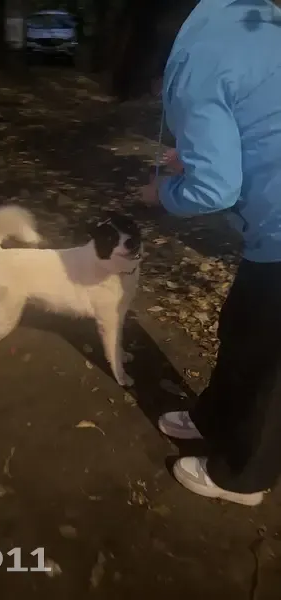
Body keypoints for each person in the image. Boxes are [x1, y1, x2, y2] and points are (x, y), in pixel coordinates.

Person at [140, 0, 281, 506]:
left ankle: (243, 478)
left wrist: (162, 193)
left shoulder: (193, 65)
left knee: (270, 362)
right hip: (273, 230)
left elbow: (216, 190)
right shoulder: (252, 22)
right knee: (242, 329)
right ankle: (212, 419)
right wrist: (195, 159)